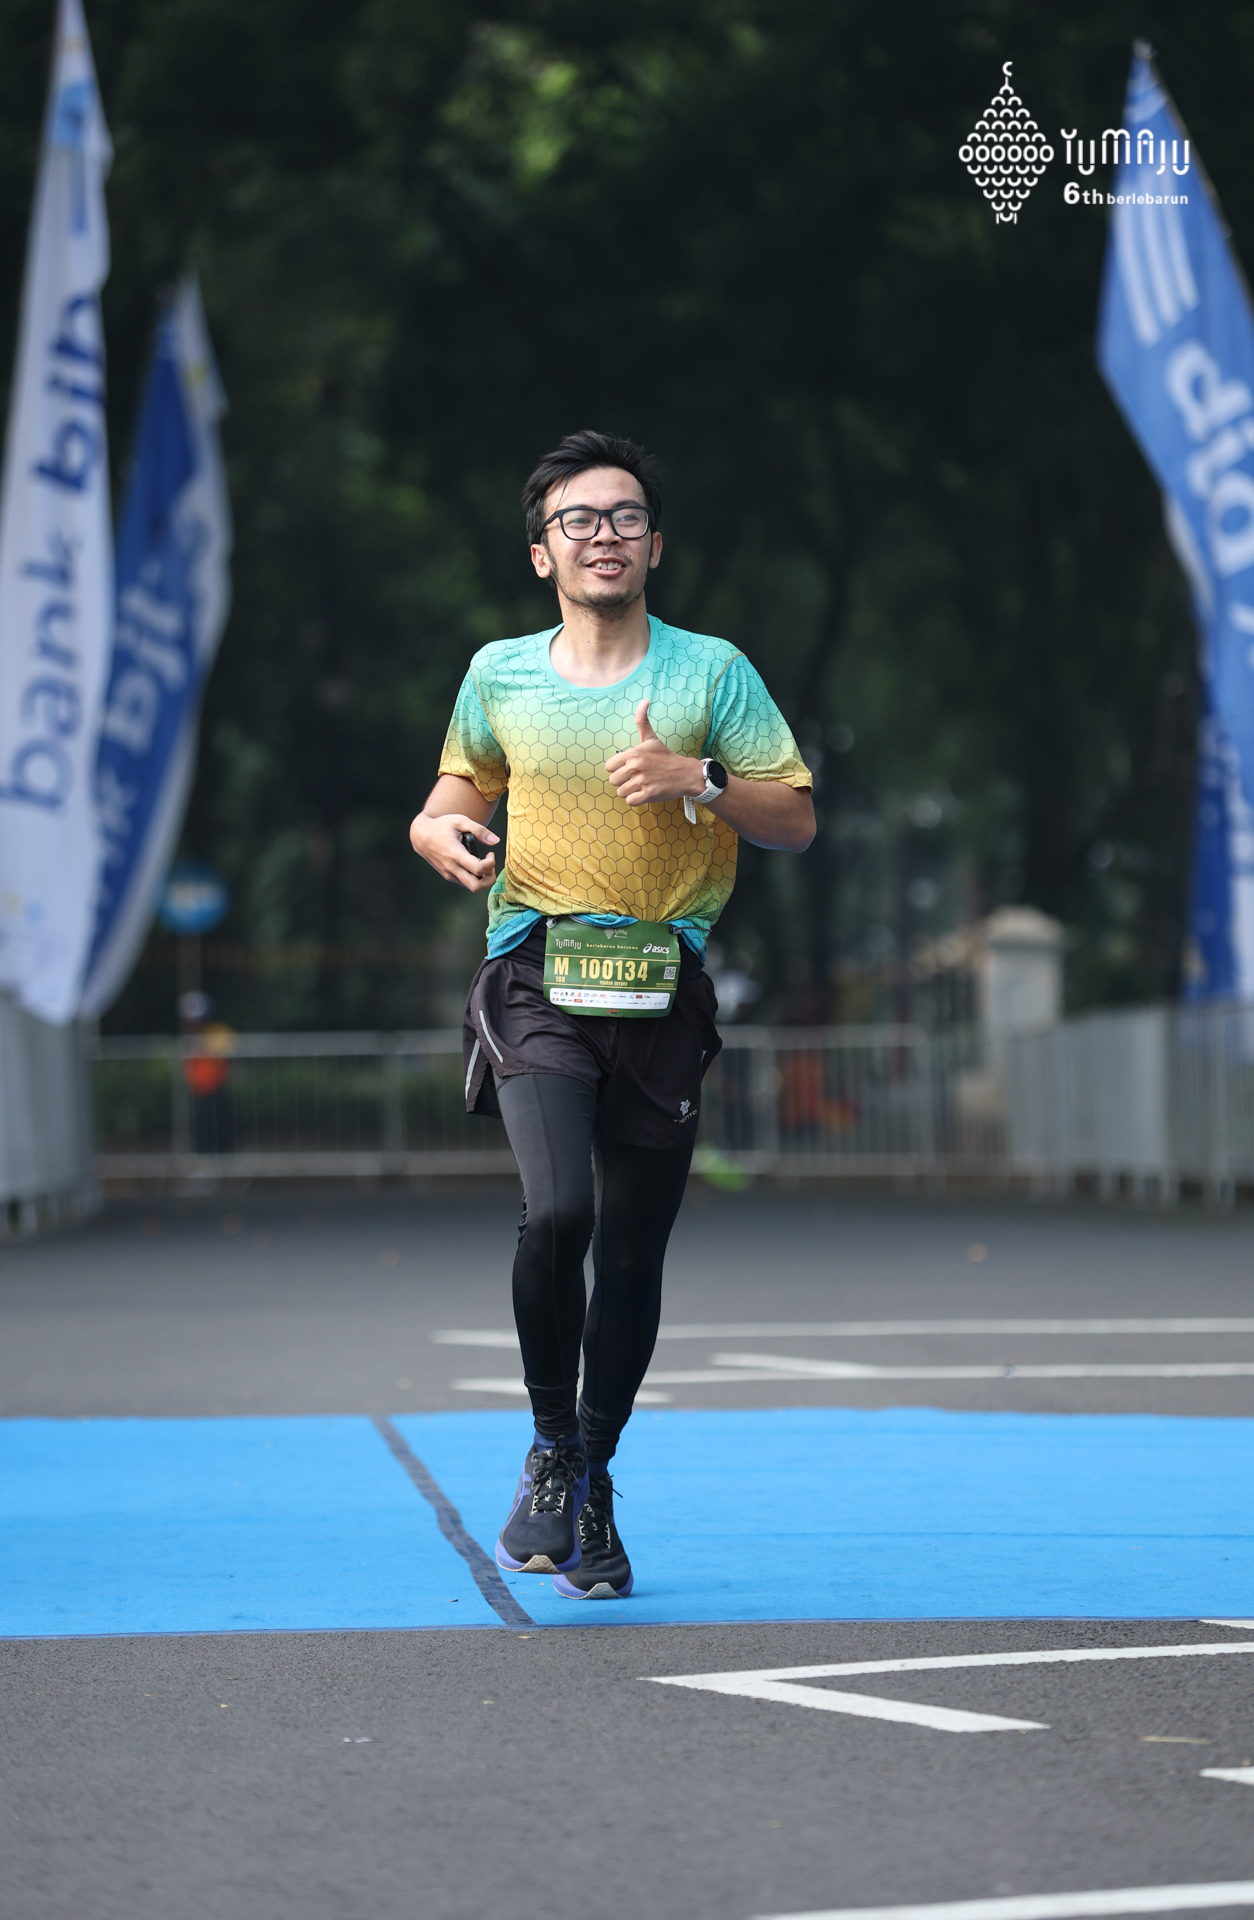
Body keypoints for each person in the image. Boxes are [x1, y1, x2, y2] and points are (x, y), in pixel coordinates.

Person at [410, 429, 815, 1598]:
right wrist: (435, 829)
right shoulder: (500, 674)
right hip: (536, 970)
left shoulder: (710, 674)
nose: (604, 534)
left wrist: (701, 780)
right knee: (559, 1211)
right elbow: (450, 795)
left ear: (653, 546)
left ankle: (590, 1475)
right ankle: (550, 1445)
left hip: (660, 984)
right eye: (578, 519)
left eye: (625, 516)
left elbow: (793, 818)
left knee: (633, 1250)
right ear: (542, 552)